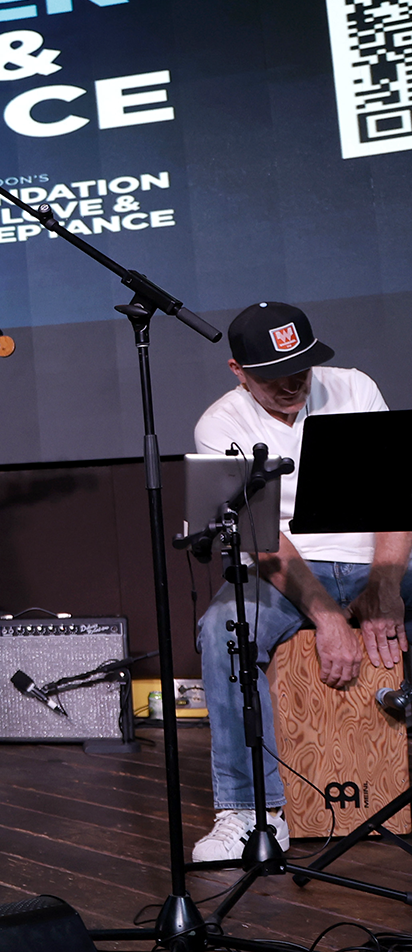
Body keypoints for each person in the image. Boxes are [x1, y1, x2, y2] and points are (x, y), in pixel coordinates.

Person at [189, 301, 410, 863]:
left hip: (374, 560)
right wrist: (329, 618)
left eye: (300, 369)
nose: (291, 384)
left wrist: (386, 587)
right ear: (238, 371)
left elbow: (395, 497)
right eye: (273, 376)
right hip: (287, 571)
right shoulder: (219, 424)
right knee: (224, 629)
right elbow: (261, 540)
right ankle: (250, 813)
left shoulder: (355, 388)